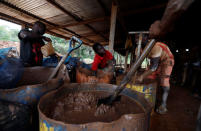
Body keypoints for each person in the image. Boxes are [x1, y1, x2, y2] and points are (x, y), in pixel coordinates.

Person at [137, 40, 174, 114]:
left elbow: (153, 68)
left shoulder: (155, 47)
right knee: (150, 77)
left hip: (167, 60)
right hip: (159, 61)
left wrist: (142, 76)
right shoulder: (144, 49)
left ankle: (163, 106)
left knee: (164, 82)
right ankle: (151, 97)